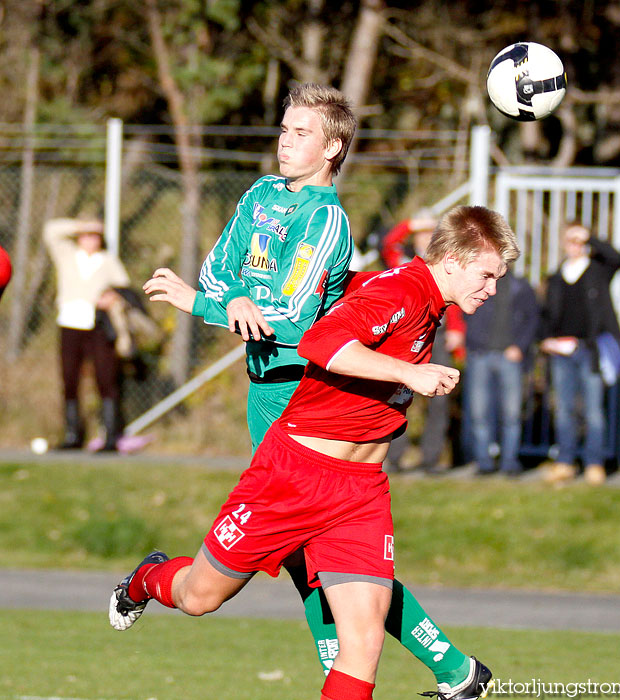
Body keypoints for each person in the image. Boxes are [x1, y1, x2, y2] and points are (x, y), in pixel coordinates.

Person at [142, 84, 483, 692]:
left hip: (309, 398)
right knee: (289, 567)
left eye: (300, 133)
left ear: (332, 148)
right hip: (263, 396)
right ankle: (448, 668)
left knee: (330, 571)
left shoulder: (328, 218)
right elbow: (220, 268)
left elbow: (294, 319)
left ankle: (444, 668)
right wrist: (229, 296)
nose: (284, 141)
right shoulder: (260, 194)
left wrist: (206, 304)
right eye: (283, 129)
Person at [111, 204, 520, 700]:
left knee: (365, 641)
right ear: (453, 260)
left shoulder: (421, 295)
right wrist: (409, 373)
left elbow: (310, 299)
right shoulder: (403, 292)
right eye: (488, 274)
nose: (492, 288)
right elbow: (320, 342)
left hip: (361, 494)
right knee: (199, 597)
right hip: (293, 476)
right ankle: (145, 580)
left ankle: (454, 673)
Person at [540, 221, 620, 485]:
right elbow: (546, 315)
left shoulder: (597, 271)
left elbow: (617, 258)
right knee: (564, 410)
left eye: (579, 240)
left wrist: (590, 237)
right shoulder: (555, 277)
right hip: (561, 352)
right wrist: (545, 340)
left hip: (591, 351)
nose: (575, 245)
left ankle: (594, 463)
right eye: (570, 240)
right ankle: (565, 462)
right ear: (563, 243)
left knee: (593, 411)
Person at [380, 212, 465, 473]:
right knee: (397, 395)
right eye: (422, 233)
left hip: (437, 335)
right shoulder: (402, 261)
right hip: (405, 335)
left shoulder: (444, 263)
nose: (426, 238)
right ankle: (394, 456)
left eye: (431, 233)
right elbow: (387, 243)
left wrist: (457, 330)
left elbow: (455, 298)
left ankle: (431, 458)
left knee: (439, 398)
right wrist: (408, 223)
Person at [43, 216, 130, 451]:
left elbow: (125, 290)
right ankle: (73, 434)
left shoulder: (107, 261)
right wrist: (80, 225)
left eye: (95, 235)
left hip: (98, 326)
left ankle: (111, 435)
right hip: (70, 323)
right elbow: (51, 230)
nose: (90, 240)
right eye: (86, 235)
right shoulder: (67, 255)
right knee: (69, 378)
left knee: (105, 377)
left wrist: (113, 298)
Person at [463, 272, 539, 476]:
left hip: (509, 357)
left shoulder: (520, 286)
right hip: (480, 355)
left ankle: (509, 462)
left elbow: (532, 318)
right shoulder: (475, 282)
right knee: (479, 413)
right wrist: (471, 342)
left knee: (511, 414)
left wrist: (520, 346)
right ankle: (484, 463)